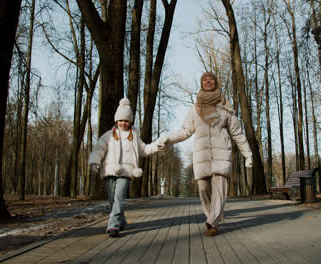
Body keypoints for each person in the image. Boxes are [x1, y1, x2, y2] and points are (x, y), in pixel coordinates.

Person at [162, 72, 252, 236]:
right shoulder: (195, 109)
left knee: (219, 189)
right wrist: (168, 139)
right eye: (205, 79)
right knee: (203, 189)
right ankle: (213, 214)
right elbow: (185, 131)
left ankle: (213, 222)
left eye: (211, 79)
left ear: (216, 82)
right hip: (202, 156)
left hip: (221, 154)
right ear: (201, 83)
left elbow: (237, 133)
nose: (208, 81)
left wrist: (248, 154)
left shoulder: (225, 106)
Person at [89, 98, 165, 238]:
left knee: (119, 198)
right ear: (116, 121)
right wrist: (95, 162)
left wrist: (157, 145)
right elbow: (99, 149)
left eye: (126, 120)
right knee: (112, 201)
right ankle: (121, 221)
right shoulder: (108, 136)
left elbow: (145, 149)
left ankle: (113, 226)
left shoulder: (134, 136)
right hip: (110, 171)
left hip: (126, 172)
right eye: (121, 120)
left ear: (130, 121)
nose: (123, 123)